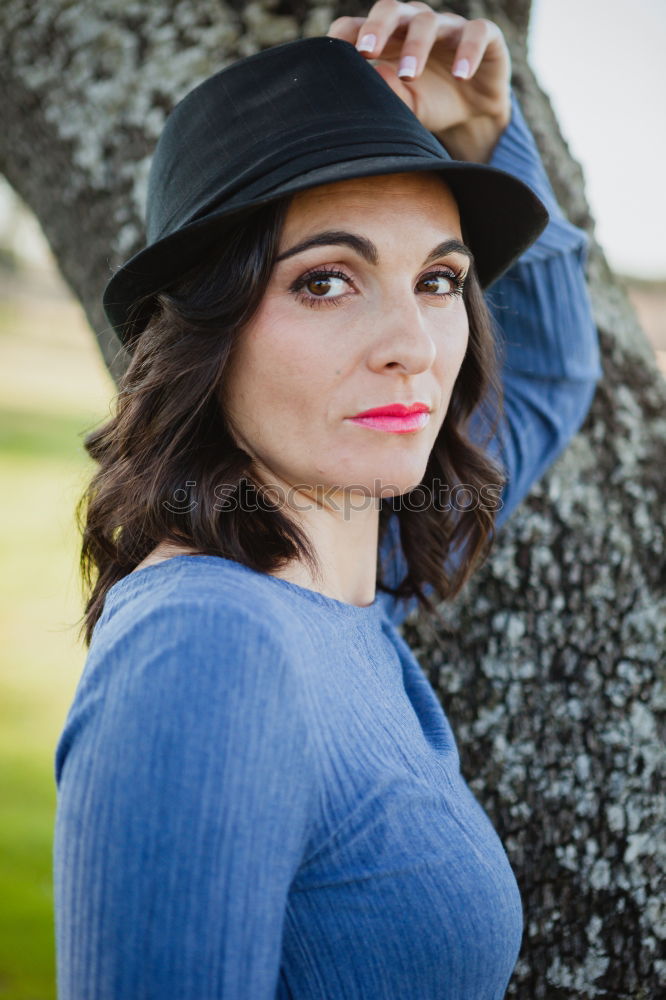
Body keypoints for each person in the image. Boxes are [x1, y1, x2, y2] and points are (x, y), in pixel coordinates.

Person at [53, 4, 602, 998]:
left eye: (439, 278)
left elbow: (555, 376)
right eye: (325, 281)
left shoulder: (358, 573)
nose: (415, 344)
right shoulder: (211, 648)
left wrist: (490, 134)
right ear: (203, 336)